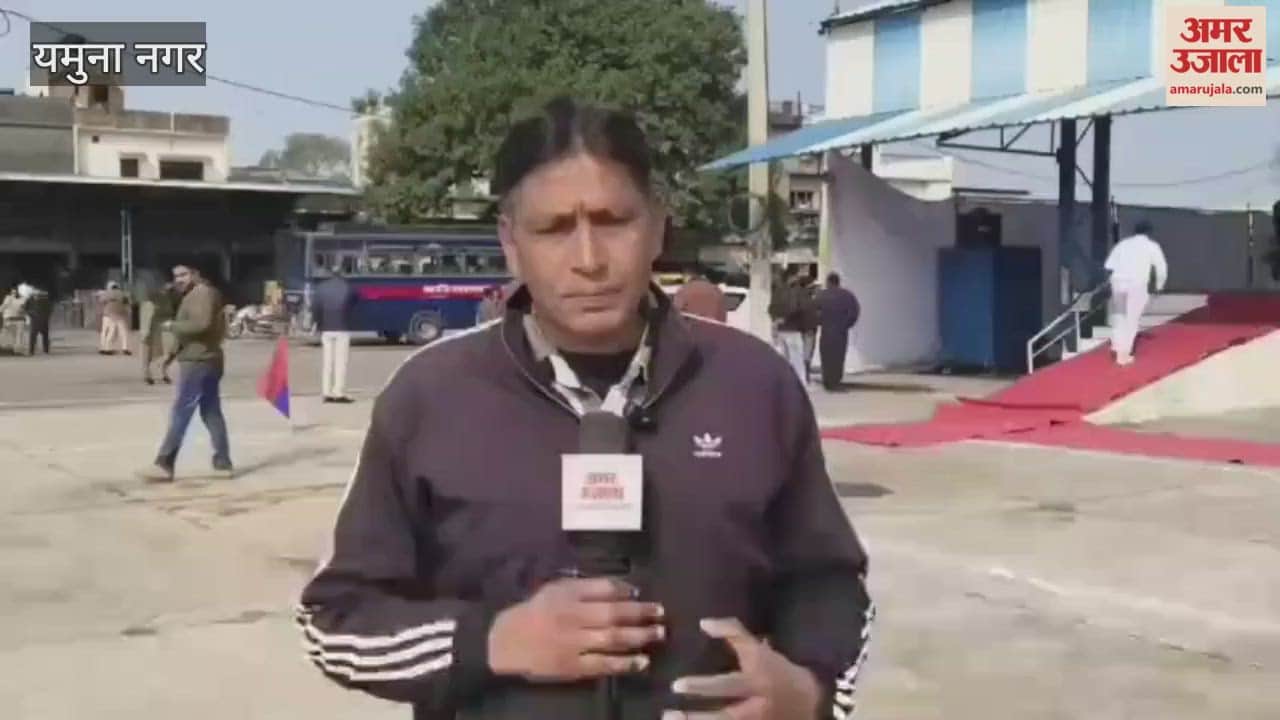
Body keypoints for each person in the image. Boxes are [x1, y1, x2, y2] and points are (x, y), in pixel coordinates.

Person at [296, 98, 873, 720]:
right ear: (511, 245)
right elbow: (337, 622)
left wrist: (810, 691)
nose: (590, 259)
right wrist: (488, 641)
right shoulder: (430, 394)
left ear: (656, 227)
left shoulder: (755, 382)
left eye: (613, 220)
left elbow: (830, 583)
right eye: (553, 229)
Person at [136, 263, 233, 483]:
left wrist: (173, 326)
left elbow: (201, 324)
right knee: (210, 412)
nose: (179, 279)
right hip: (205, 359)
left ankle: (164, 463)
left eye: (184, 274)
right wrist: (170, 358)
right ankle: (223, 462)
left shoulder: (201, 294)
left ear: (196, 274)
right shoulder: (198, 294)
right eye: (176, 276)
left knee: (182, 411)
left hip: (198, 361)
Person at [1104, 220, 1169, 366]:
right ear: (1149, 232)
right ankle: (1123, 355)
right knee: (1131, 318)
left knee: (1119, 316)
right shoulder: (1152, 246)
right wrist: (1159, 286)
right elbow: (1161, 268)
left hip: (1118, 282)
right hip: (1137, 284)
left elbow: (1109, 265)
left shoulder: (1123, 244)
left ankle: (1116, 346)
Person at [312, 267, 359, 404]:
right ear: (342, 274)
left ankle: (326, 393)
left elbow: (315, 308)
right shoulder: (349, 287)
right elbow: (355, 302)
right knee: (341, 362)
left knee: (327, 362)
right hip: (342, 328)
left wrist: (318, 324)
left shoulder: (321, 288)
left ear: (330, 274)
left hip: (326, 329)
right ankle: (338, 393)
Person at [816, 272, 862, 391]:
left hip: (826, 331)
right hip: (840, 332)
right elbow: (854, 312)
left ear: (828, 282)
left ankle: (827, 381)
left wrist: (820, 322)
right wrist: (846, 325)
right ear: (838, 282)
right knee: (838, 356)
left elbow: (813, 311)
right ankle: (836, 381)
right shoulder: (847, 295)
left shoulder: (821, 295)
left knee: (826, 356)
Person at [768, 268, 813, 385]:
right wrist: (806, 327)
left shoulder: (777, 291)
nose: (798, 279)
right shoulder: (796, 291)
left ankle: (782, 382)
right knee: (796, 358)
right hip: (793, 328)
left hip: (780, 329)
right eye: (796, 276)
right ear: (791, 277)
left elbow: (771, 308)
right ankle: (801, 382)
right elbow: (797, 308)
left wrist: (776, 321)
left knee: (783, 358)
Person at [140, 282, 178, 385]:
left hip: (168, 328)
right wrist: (145, 330)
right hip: (154, 327)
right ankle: (147, 373)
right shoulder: (153, 298)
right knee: (149, 351)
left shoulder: (175, 298)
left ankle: (163, 371)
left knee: (172, 350)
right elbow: (147, 312)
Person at [98, 281, 132, 356]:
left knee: (109, 332)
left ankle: (106, 348)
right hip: (120, 315)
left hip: (108, 315)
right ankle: (125, 348)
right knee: (123, 332)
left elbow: (101, 301)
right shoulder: (122, 294)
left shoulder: (107, 293)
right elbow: (127, 303)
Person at [24, 284, 53, 356]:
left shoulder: (45, 299)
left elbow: (50, 309)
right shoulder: (30, 299)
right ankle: (31, 351)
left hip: (43, 320)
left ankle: (46, 350)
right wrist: (31, 314)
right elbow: (26, 309)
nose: (37, 292)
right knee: (33, 336)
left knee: (45, 335)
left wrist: (46, 316)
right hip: (34, 320)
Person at [1, 287, 27, 354]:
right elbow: (23, 309)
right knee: (18, 336)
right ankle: (17, 350)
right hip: (20, 320)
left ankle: (11, 349)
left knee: (10, 335)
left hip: (9, 319)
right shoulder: (23, 299)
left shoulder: (8, 298)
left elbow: (3, 307)